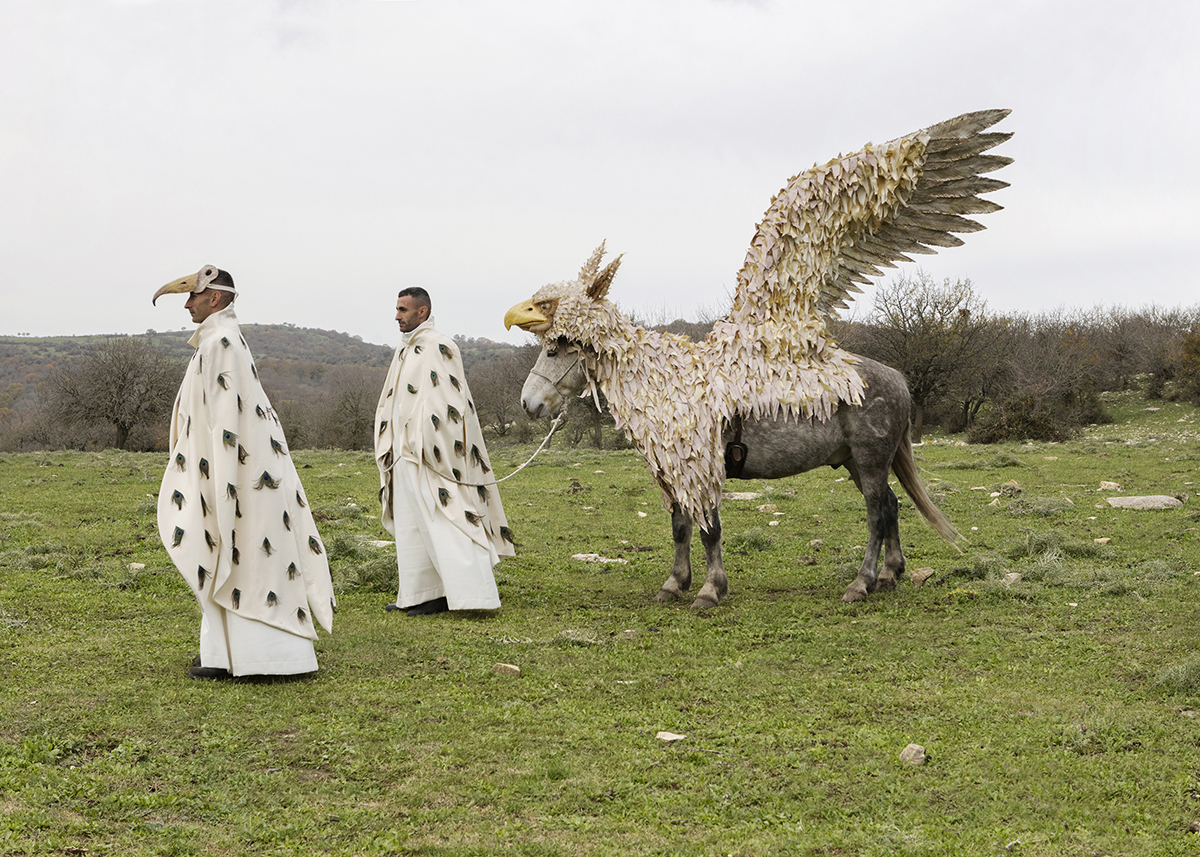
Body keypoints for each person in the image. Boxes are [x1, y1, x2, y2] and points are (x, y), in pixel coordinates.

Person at [153, 265, 335, 679]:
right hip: (245, 464)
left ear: (214, 298)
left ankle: (266, 659)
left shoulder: (220, 340)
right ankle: (225, 654)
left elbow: (224, 419)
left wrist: (220, 481)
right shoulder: (222, 338)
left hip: (241, 469)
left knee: (249, 548)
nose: (186, 304)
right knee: (239, 548)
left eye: (193, 296)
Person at [374, 287, 514, 616]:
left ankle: (473, 596)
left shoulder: (440, 345)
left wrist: (428, 444)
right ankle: (424, 595)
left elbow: (450, 402)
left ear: (422, 312)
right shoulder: (405, 349)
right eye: (396, 309)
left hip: (431, 453)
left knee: (446, 515)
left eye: (404, 310)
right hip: (403, 452)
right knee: (412, 525)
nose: (397, 316)